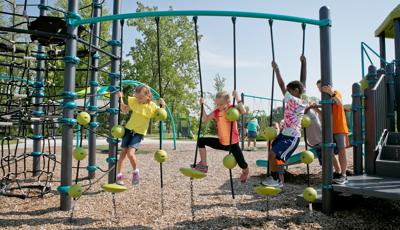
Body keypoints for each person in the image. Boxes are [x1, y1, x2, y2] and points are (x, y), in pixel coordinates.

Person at [262, 57, 308, 187]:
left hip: (292, 137)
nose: (286, 93)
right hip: (284, 134)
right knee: (271, 154)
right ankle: (275, 178)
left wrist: (276, 69)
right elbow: (303, 81)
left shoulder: (296, 100)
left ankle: (276, 179)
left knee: (274, 155)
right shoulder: (298, 96)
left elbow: (282, 85)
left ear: (296, 91)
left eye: (289, 90)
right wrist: (304, 63)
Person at [192, 90, 250, 183]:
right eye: (217, 104)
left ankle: (245, 172)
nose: (219, 106)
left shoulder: (232, 109)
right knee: (201, 141)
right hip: (222, 143)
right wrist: (202, 105)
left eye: (221, 104)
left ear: (228, 102)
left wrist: (237, 97)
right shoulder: (216, 112)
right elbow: (206, 119)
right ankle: (204, 165)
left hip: (233, 144)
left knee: (242, 164)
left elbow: (243, 111)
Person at [116, 85, 165, 185]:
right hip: (128, 130)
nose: (138, 99)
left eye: (141, 98)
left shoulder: (152, 106)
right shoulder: (135, 102)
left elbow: (161, 115)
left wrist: (163, 105)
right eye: (137, 97)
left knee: (130, 154)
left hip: (138, 133)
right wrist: (120, 98)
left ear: (148, 96)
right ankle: (119, 176)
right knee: (122, 154)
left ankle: (135, 172)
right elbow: (125, 109)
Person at [317, 80, 349, 184]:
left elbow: (339, 103)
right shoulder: (324, 99)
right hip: (330, 129)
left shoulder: (335, 92)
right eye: (318, 88)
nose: (320, 89)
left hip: (339, 126)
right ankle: (338, 171)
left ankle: (344, 175)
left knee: (341, 150)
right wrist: (316, 109)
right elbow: (324, 116)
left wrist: (331, 92)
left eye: (321, 87)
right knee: (329, 151)